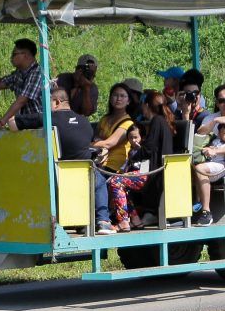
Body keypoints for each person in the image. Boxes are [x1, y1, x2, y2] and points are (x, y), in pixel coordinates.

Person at [48, 86, 115, 234]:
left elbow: (14, 124)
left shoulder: (48, 119)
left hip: (59, 173)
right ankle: (103, 221)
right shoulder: (84, 122)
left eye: (48, 103)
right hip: (85, 172)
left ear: (57, 102)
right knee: (99, 181)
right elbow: (88, 143)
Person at [108, 91, 177, 230]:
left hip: (154, 173)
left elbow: (149, 148)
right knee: (119, 182)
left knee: (116, 181)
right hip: (153, 171)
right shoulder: (162, 121)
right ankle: (135, 219)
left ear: (146, 105)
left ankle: (123, 221)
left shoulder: (157, 121)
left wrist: (133, 157)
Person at [0, 38, 45, 130]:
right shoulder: (18, 74)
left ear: (25, 55)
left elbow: (22, 100)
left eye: (14, 54)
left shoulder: (38, 73)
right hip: (27, 124)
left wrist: (1, 122)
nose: (11, 57)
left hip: (42, 125)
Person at [191, 115, 225, 225]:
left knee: (200, 168)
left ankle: (206, 211)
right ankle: (198, 200)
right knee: (195, 169)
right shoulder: (216, 141)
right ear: (219, 133)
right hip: (211, 164)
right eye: (224, 133)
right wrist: (209, 149)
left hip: (220, 166)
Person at [91, 84, 139, 171]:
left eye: (122, 96)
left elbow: (108, 144)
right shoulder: (105, 118)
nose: (118, 99)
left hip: (114, 167)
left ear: (128, 101)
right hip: (99, 163)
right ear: (110, 98)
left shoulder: (128, 123)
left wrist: (85, 146)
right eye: (115, 95)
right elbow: (96, 137)